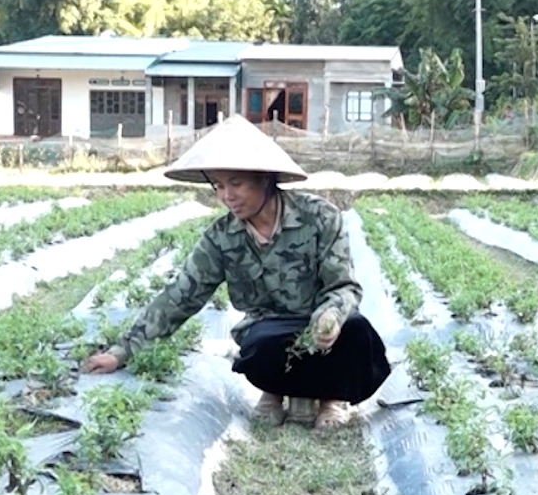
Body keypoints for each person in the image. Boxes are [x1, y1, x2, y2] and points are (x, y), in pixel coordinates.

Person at [81, 114, 392, 430]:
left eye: (236, 183)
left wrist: (331, 317)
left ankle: (332, 398)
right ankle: (274, 391)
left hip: (321, 323)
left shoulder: (320, 217)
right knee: (260, 345)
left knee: (357, 334)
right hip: (270, 329)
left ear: (265, 179)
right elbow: (181, 296)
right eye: (219, 185)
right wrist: (122, 352)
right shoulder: (221, 237)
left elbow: (343, 286)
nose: (227, 196)